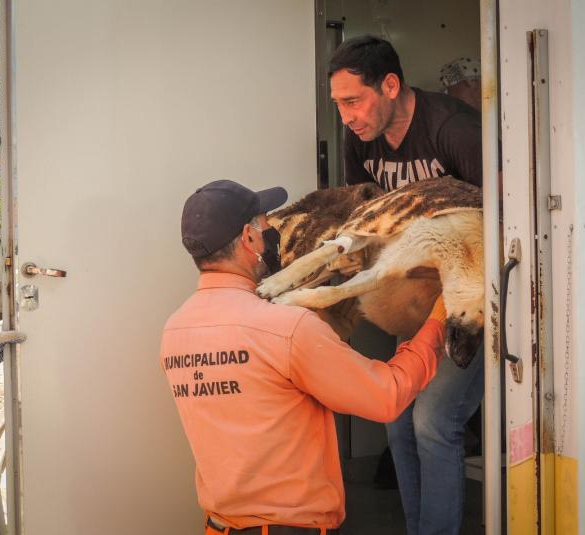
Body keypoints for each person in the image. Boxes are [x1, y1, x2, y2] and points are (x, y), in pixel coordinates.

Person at [160, 180, 450, 535]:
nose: (272, 235)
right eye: (265, 225)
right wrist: (438, 319)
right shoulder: (287, 328)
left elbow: (267, 378)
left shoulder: (175, 331)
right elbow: (387, 395)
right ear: (249, 239)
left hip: (220, 527)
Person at [329, 36, 484, 535]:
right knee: (395, 414)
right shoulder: (361, 139)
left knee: (433, 422)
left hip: (469, 297)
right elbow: (365, 216)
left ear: (391, 85)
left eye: (354, 101)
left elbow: (503, 224)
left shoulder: (453, 130)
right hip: (414, 297)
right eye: (339, 105)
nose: (347, 117)